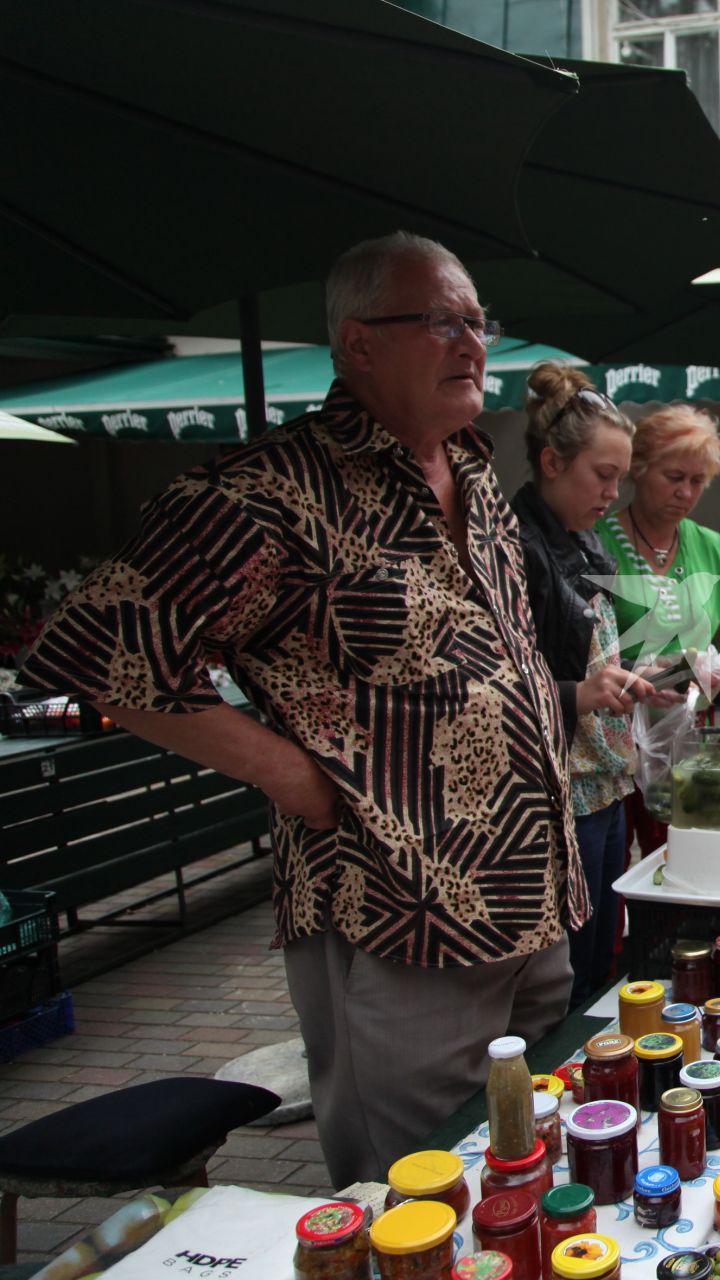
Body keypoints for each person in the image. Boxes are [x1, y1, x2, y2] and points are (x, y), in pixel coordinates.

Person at [19, 231, 587, 1185]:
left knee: (528, 1167)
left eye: (477, 321)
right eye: (440, 320)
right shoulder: (264, 492)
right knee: (414, 1187)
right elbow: (105, 656)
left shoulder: (477, 473)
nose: (471, 343)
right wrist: (291, 774)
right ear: (358, 343)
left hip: (533, 891)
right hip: (403, 908)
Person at [512, 363, 651, 1007]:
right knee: (570, 971)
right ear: (550, 461)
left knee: (600, 957)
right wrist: (576, 694)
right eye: (603, 474)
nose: (612, 491)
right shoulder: (514, 547)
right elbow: (501, 683)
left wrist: (638, 676)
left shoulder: (583, 540)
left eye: (619, 476)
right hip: (561, 792)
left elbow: (594, 655)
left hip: (606, 779)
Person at [597, 404, 720, 663]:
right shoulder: (596, 541)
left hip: (695, 704)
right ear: (638, 469)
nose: (685, 493)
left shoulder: (710, 546)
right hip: (620, 702)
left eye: (697, 481)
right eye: (674, 477)